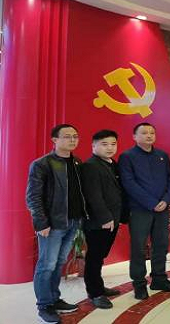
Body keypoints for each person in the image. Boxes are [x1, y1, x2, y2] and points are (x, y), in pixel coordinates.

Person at [26, 124, 85, 324]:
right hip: (52, 224)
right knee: (46, 265)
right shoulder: (42, 164)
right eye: (67, 136)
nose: (72, 140)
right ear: (54, 140)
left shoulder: (76, 162)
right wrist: (41, 222)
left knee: (59, 263)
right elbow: (33, 197)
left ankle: (54, 298)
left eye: (75, 136)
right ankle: (44, 305)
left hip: (73, 222)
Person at [119, 123, 170, 300]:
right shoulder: (127, 156)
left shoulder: (162, 155)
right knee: (139, 247)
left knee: (161, 244)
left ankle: (159, 278)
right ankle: (139, 283)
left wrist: (166, 200)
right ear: (134, 137)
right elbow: (129, 183)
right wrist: (151, 203)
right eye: (144, 133)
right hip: (140, 209)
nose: (149, 135)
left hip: (162, 208)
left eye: (152, 132)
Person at [80, 129, 125, 309]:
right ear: (93, 146)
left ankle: (99, 286)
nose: (110, 148)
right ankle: (95, 293)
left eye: (113, 144)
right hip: (99, 222)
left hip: (112, 218)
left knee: (100, 256)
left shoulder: (111, 163)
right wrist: (105, 217)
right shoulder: (90, 166)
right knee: (94, 257)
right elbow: (93, 196)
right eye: (104, 144)